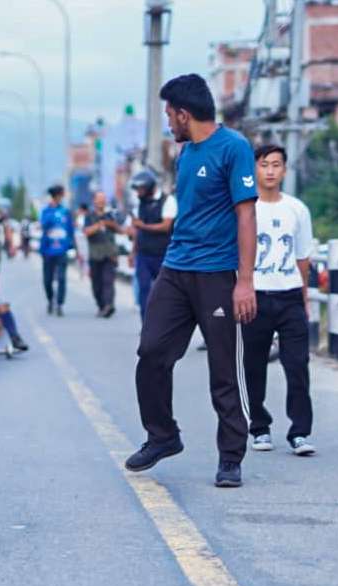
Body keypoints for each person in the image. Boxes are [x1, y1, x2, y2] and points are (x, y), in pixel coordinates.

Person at [125, 73, 258, 488]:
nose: (168, 122)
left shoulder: (234, 148)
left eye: (169, 115)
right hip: (175, 268)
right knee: (151, 352)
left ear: (184, 114)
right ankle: (162, 436)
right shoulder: (185, 155)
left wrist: (245, 281)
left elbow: (246, 215)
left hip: (217, 273)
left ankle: (231, 457)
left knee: (223, 368)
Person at [242, 144, 316, 456]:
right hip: (255, 296)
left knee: (297, 365)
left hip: (290, 296)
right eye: (264, 164)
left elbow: (303, 258)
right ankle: (259, 427)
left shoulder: (297, 209)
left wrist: (304, 296)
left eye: (276, 165)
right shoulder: (245, 209)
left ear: (284, 170)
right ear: (254, 170)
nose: (270, 171)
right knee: (253, 365)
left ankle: (299, 432)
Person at [127, 170, 177, 321]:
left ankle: (164, 323)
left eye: (141, 188)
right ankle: (146, 324)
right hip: (143, 254)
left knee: (165, 292)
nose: (138, 192)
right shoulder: (139, 203)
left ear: (149, 186)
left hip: (164, 255)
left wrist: (142, 225)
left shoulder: (168, 200)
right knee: (143, 289)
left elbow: (166, 226)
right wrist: (132, 253)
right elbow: (136, 230)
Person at [83, 191, 124, 318]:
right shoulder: (89, 216)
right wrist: (99, 225)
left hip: (110, 254)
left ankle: (109, 305)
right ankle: (101, 305)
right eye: (99, 199)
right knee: (96, 284)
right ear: (94, 201)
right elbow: (86, 232)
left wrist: (110, 224)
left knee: (108, 281)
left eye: (103, 199)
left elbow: (121, 230)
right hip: (95, 254)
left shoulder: (110, 215)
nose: (101, 201)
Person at [39, 184, 74, 316]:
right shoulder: (46, 211)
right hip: (48, 250)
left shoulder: (65, 212)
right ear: (56, 196)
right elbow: (44, 225)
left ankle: (59, 304)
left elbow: (70, 230)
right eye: (60, 195)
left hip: (62, 250)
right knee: (47, 280)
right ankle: (50, 299)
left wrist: (71, 245)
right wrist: (52, 210)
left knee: (61, 278)